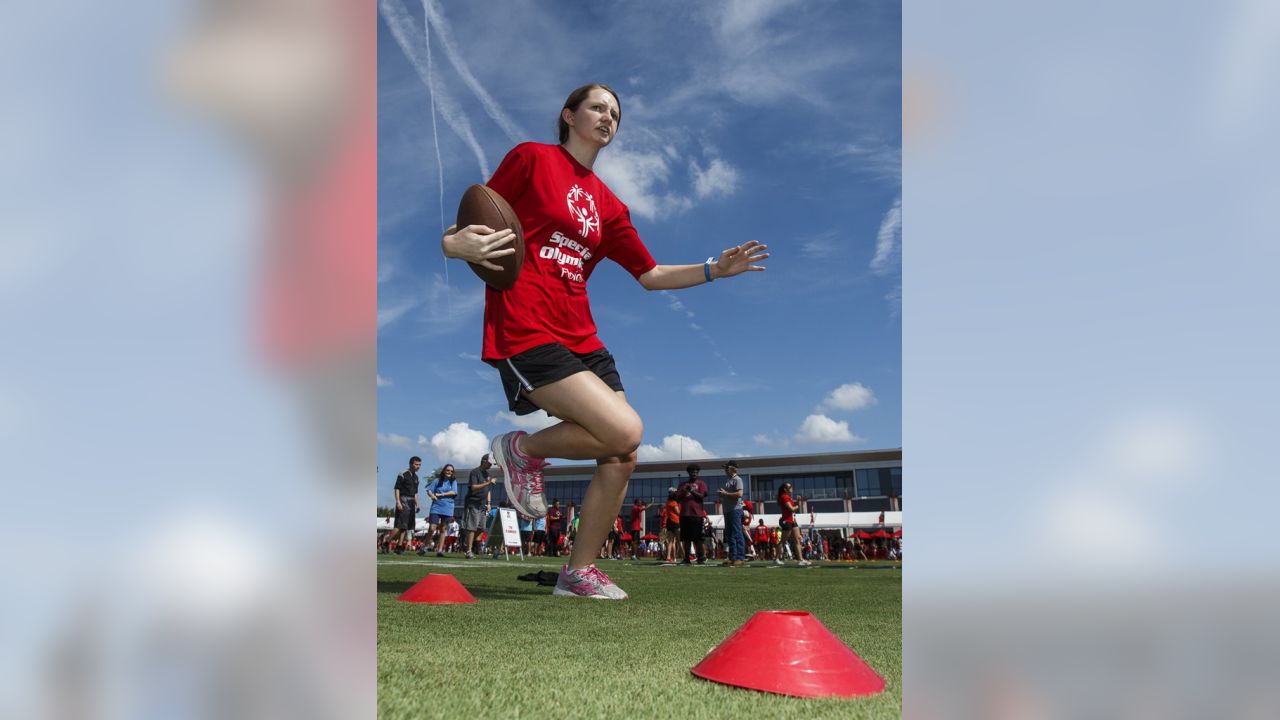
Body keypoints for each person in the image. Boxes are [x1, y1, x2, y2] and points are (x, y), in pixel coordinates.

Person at [443, 84, 768, 599]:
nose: (608, 117)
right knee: (625, 427)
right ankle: (522, 449)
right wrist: (452, 242)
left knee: (624, 452)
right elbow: (477, 222)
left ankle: (577, 573)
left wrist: (714, 270)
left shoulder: (610, 206)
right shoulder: (531, 159)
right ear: (568, 115)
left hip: (584, 336)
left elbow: (652, 273)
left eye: (615, 113)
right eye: (598, 107)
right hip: (527, 326)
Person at [460, 454, 497, 559]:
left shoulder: (487, 474)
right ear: (484, 461)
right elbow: (473, 488)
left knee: (481, 528)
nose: (491, 465)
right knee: (471, 527)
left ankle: (470, 545)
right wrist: (488, 482)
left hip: (483, 504)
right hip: (473, 503)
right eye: (489, 463)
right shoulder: (475, 472)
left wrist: (489, 503)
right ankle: (468, 550)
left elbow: (488, 490)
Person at [421, 465, 459, 557]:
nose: (449, 472)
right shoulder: (436, 481)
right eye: (447, 470)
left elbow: (454, 492)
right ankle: (425, 547)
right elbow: (429, 490)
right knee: (432, 528)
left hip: (448, 508)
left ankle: (440, 550)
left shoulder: (453, 482)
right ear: (444, 471)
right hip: (436, 507)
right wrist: (432, 495)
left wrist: (441, 494)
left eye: (451, 471)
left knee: (443, 529)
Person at [677, 464, 709, 564]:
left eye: (696, 472)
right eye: (692, 472)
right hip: (684, 514)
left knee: (698, 539)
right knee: (686, 539)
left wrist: (691, 490)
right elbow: (678, 498)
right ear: (689, 473)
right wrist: (684, 491)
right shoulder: (682, 484)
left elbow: (701, 497)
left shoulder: (701, 483)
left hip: (697, 515)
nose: (694, 473)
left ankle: (701, 558)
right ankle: (687, 558)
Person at [390, 457, 422, 555]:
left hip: (412, 502)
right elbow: (397, 488)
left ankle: (399, 547)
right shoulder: (403, 474)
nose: (418, 467)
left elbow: (416, 492)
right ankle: (386, 541)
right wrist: (398, 502)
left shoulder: (416, 477)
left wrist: (417, 504)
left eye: (420, 465)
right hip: (403, 500)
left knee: (406, 527)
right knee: (400, 525)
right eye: (416, 464)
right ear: (411, 464)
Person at [717, 460, 746, 566]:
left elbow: (740, 494)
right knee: (730, 534)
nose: (725, 470)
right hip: (728, 510)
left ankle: (740, 557)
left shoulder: (738, 479)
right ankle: (733, 557)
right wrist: (723, 494)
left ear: (732, 469)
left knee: (737, 533)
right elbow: (729, 494)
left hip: (735, 510)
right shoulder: (728, 480)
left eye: (726, 468)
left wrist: (725, 493)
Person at [776, 483, 810, 566]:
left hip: (792, 520)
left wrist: (797, 502)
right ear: (785, 489)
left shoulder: (787, 497)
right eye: (790, 487)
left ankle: (801, 560)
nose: (792, 488)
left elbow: (792, 506)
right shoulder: (784, 497)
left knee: (797, 539)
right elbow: (792, 509)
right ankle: (776, 558)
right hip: (787, 521)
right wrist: (797, 505)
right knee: (783, 541)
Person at [661, 488, 680, 563]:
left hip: (669, 522)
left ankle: (669, 557)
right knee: (679, 540)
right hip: (675, 521)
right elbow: (678, 512)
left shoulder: (667, 502)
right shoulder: (674, 503)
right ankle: (684, 556)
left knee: (671, 541)